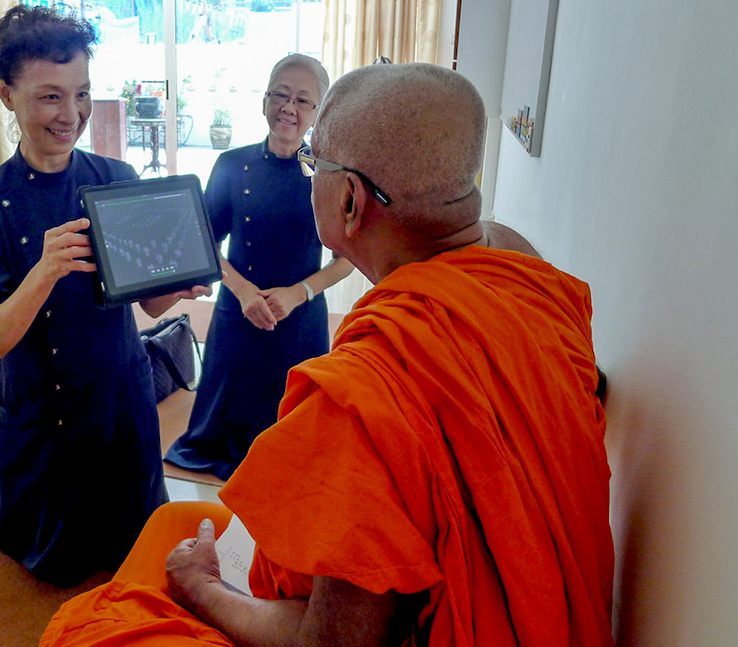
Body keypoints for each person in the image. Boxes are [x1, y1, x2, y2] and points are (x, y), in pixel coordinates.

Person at [39, 63, 615, 644]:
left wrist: (201, 587)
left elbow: (333, 642)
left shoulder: (363, 396)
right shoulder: (524, 263)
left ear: (349, 201)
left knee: (86, 630)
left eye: (315, 162)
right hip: (560, 612)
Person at [0, 5, 207, 586]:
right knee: (55, 565)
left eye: (82, 94)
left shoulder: (116, 178)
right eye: (50, 97)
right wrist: (44, 270)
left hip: (120, 392)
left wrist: (178, 283)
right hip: (44, 405)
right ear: (5, 92)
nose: (72, 115)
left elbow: (148, 304)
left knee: (135, 545)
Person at [164, 54, 354, 480]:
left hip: (300, 314)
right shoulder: (231, 165)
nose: (289, 107)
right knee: (223, 427)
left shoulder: (331, 176)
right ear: (265, 100)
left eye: (302, 100)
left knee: (296, 440)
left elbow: (348, 260)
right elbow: (205, 242)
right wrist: (243, 291)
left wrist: (299, 293)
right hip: (238, 308)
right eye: (280, 95)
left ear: (319, 112)